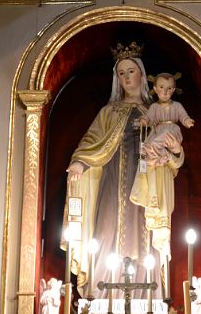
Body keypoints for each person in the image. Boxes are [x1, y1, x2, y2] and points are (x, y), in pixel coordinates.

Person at [65, 44, 180, 295]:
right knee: (106, 233)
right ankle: (101, 295)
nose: (127, 78)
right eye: (121, 73)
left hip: (147, 187)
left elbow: (174, 158)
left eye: (131, 71)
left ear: (142, 73)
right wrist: (79, 162)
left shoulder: (159, 113)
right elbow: (90, 142)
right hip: (112, 184)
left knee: (145, 238)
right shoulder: (108, 112)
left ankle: (147, 297)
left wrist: (175, 152)